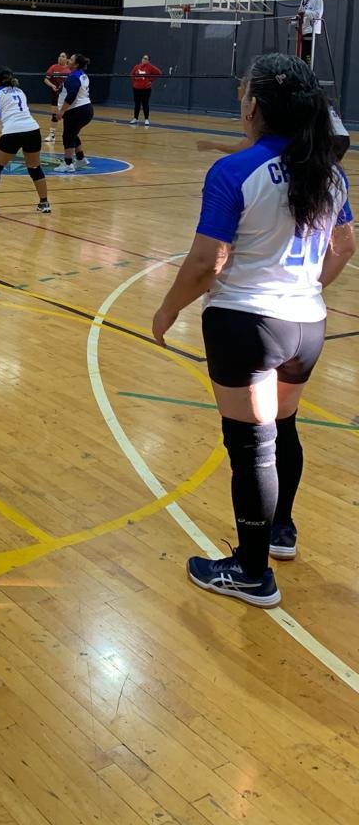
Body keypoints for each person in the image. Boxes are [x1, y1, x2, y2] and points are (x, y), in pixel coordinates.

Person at [152, 53, 355, 608]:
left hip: (246, 325)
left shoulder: (236, 171)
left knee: (250, 448)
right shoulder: (330, 171)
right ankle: (281, 531)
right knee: (282, 429)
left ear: (255, 106)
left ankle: (251, 572)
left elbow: (206, 262)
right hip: (307, 326)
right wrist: (307, 288)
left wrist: (167, 311)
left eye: (244, 94)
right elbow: (344, 248)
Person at [0, 67, 50, 217]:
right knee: (34, 167)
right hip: (33, 130)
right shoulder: (20, 91)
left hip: (13, 132)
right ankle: (44, 203)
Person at [54, 53, 93, 173]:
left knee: (68, 136)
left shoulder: (74, 77)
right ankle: (81, 159)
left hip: (77, 111)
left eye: (71, 60)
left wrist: (61, 111)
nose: (68, 61)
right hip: (85, 109)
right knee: (73, 133)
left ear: (76, 65)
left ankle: (68, 164)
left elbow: (71, 96)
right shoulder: (82, 75)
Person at [290, 0, 323, 65]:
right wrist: (292, 20)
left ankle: (308, 69)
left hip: (311, 30)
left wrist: (305, 12)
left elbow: (317, 14)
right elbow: (300, 14)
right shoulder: (303, 0)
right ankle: (301, 70)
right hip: (302, 30)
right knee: (301, 54)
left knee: (307, 54)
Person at [43, 51, 70, 142]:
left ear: (67, 59)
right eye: (59, 56)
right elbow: (46, 79)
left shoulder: (70, 70)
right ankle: (51, 135)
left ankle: (70, 134)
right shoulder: (53, 67)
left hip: (67, 96)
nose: (60, 58)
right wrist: (52, 85)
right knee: (55, 115)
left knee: (68, 116)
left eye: (63, 56)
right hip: (55, 95)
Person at [129, 54, 162, 126]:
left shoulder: (150, 67)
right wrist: (135, 81)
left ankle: (146, 119)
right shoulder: (137, 66)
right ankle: (135, 118)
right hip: (136, 89)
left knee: (145, 104)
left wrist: (150, 80)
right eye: (143, 58)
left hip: (146, 89)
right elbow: (132, 74)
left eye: (146, 58)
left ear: (148, 61)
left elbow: (159, 73)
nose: (144, 59)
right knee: (137, 104)